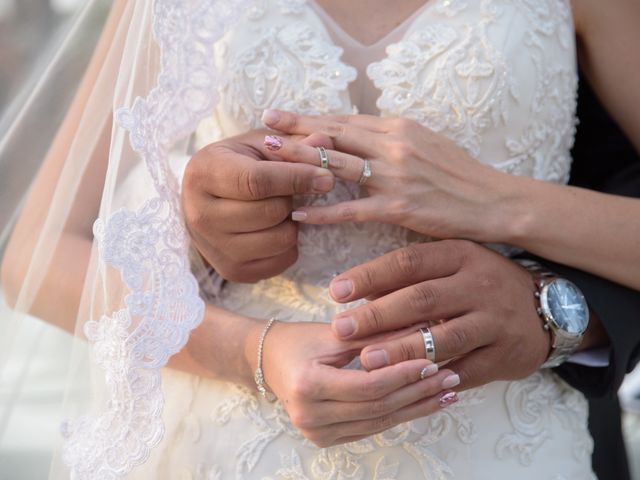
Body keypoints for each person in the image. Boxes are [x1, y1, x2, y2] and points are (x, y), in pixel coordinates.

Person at [1, 0, 639, 479]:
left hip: (495, 439)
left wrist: (497, 199)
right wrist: (254, 350)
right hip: (231, 441)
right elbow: (36, 254)